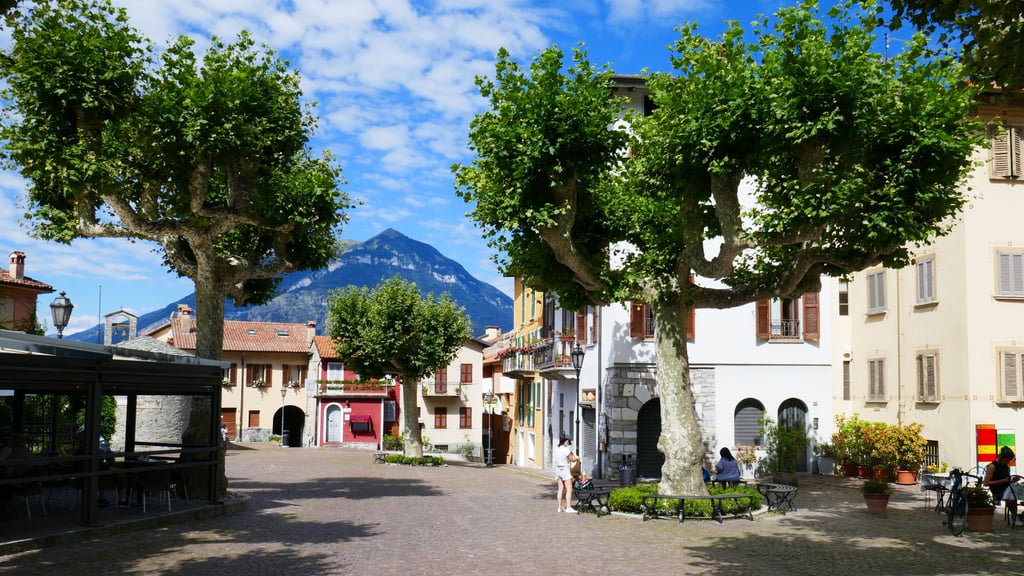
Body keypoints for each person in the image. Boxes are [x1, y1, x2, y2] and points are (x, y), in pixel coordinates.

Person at [984, 446, 1021, 522]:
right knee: (1011, 499)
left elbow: (1007, 478)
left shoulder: (1006, 466)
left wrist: (1012, 479)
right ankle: (1014, 515)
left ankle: (1018, 516)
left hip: (1007, 487)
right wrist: (1003, 481)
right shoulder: (992, 467)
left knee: (1016, 494)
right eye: (1007, 460)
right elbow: (986, 483)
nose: (1008, 462)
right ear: (1001, 457)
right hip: (998, 490)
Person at [554, 437, 577, 513]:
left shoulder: (557, 448)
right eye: (568, 442)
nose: (568, 443)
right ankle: (568, 507)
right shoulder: (565, 449)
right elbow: (572, 459)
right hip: (564, 468)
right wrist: (577, 458)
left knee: (560, 488)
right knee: (569, 489)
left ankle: (559, 507)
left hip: (558, 469)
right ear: (565, 441)